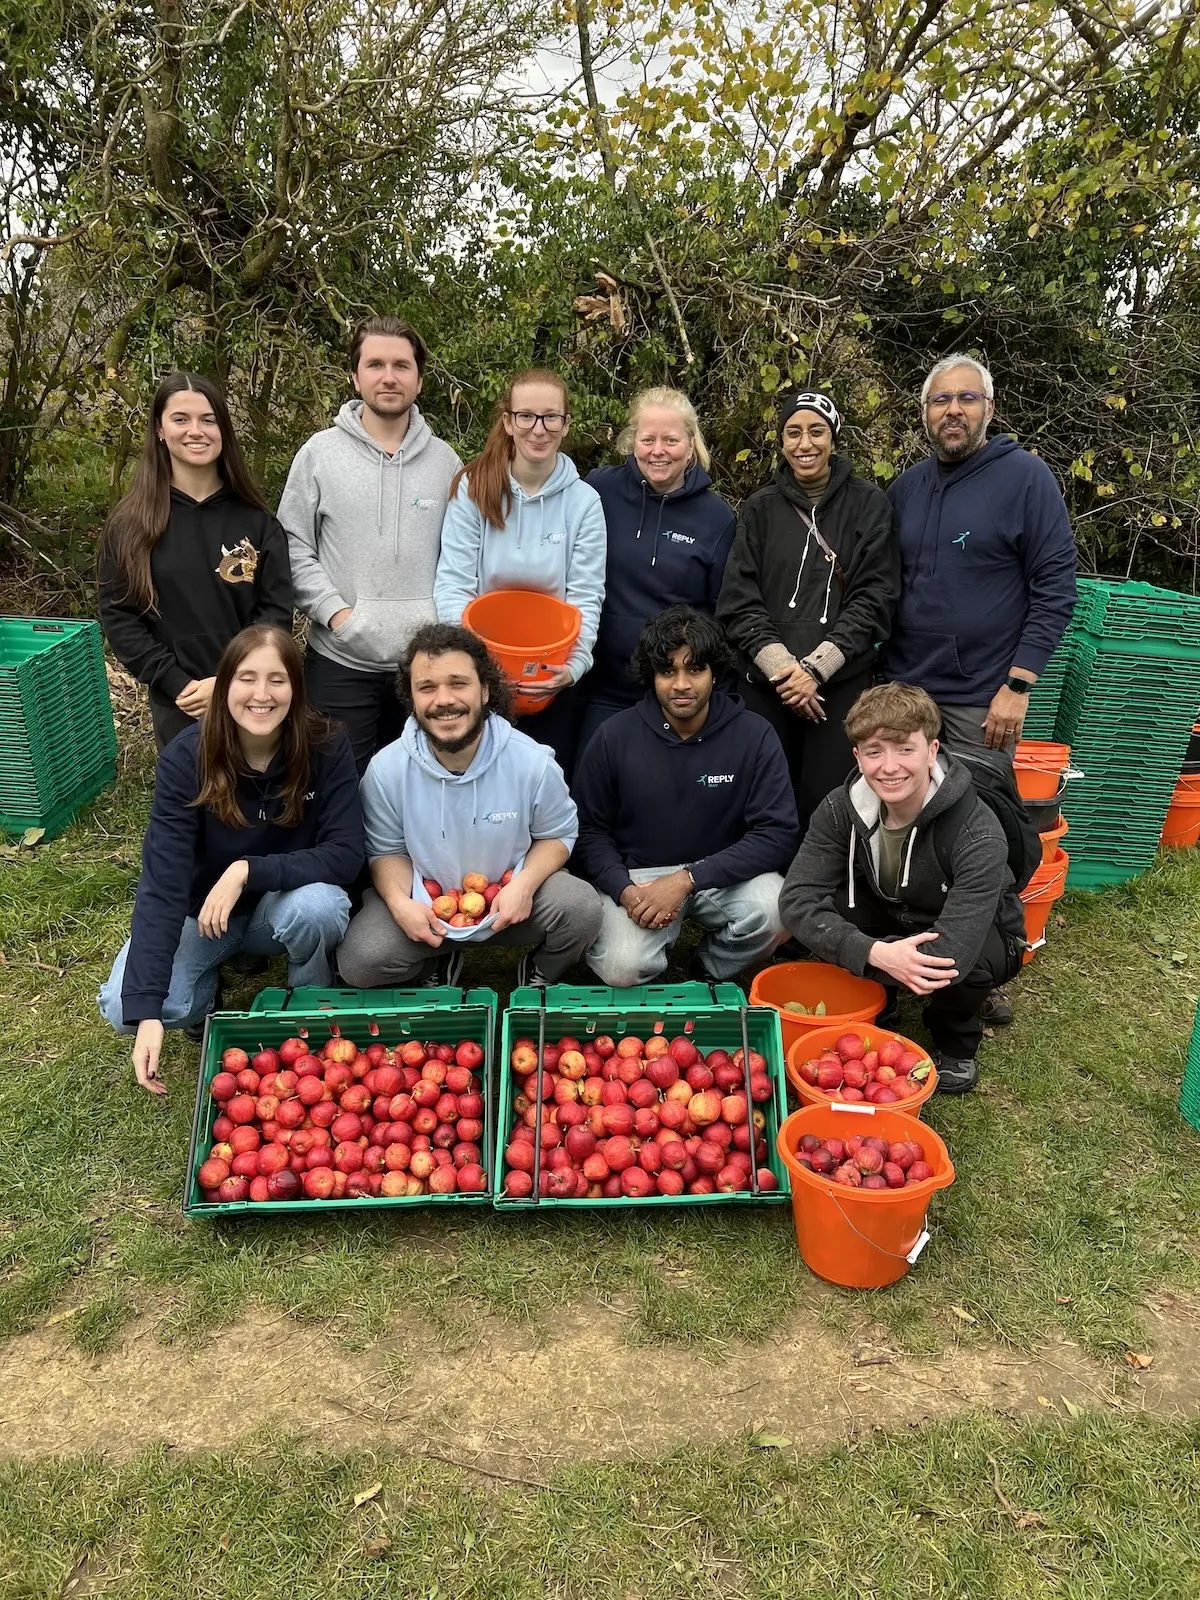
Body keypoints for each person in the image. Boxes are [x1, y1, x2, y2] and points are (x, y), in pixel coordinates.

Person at [99, 626, 365, 1096]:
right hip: (203, 916)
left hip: (280, 906)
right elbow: (162, 884)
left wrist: (248, 869)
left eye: (277, 680)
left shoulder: (325, 745)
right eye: (246, 678)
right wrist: (148, 1010)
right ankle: (203, 999)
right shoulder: (188, 757)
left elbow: (346, 854)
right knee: (126, 1009)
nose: (261, 694)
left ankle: (306, 1006)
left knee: (320, 907)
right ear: (224, 686)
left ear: (296, 689)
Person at [778, 683, 1026, 1094]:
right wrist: (876, 953)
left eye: (905, 749)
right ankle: (882, 997)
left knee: (964, 967)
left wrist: (872, 954)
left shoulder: (977, 831)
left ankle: (956, 1040)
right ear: (857, 756)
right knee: (830, 910)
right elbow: (796, 899)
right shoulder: (839, 809)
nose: (889, 767)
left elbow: (953, 950)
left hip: (962, 926)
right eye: (874, 751)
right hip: (889, 909)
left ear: (932, 750)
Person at [336, 623, 603, 990]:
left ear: (485, 690)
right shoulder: (386, 771)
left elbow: (557, 835)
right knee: (360, 962)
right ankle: (434, 963)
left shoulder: (532, 762)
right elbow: (387, 852)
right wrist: (400, 904)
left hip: (513, 905)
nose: (444, 700)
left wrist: (524, 885)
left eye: (458, 683)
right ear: (411, 698)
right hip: (427, 906)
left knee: (582, 908)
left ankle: (542, 970)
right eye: (427, 687)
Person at [574, 606, 798, 988]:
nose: (681, 684)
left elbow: (777, 833)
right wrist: (623, 890)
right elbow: (589, 830)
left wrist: (688, 879)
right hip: (639, 878)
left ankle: (709, 967)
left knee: (780, 909)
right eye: (668, 671)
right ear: (651, 675)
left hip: (722, 874)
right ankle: (650, 958)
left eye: (695, 669)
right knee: (621, 968)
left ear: (714, 673)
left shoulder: (755, 734)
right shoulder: (614, 736)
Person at [279, 315, 463, 774]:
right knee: (337, 786)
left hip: (425, 667)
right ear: (355, 377)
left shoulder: (446, 462)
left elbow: (464, 556)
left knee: (421, 784)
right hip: (340, 662)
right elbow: (291, 543)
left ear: (419, 380)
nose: (389, 376)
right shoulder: (319, 454)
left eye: (401, 366)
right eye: (375, 364)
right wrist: (337, 615)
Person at [717, 389, 900, 831]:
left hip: (838, 690)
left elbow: (875, 597)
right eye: (793, 432)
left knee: (829, 809)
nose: (805, 444)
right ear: (781, 441)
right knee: (761, 806)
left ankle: (825, 877)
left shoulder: (869, 504)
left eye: (816, 431)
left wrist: (816, 670)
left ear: (833, 438)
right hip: (767, 689)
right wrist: (786, 673)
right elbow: (739, 600)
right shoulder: (759, 509)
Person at [882, 353, 1078, 758]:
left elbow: (1055, 589)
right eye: (940, 400)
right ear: (925, 413)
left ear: (989, 408)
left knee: (978, 800)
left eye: (967, 398)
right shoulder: (905, 489)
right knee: (900, 797)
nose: (953, 409)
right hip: (904, 694)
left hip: (982, 702)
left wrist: (1018, 686)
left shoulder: (1026, 479)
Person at [98, 372, 294, 753]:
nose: (196, 431)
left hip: (255, 699)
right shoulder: (130, 526)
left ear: (223, 430)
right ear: (160, 430)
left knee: (261, 788)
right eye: (181, 419)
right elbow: (120, 617)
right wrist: (175, 682)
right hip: (180, 702)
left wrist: (232, 682)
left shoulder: (258, 523)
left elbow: (274, 614)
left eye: (208, 420)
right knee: (191, 789)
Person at [433, 369, 605, 777]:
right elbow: (454, 584)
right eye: (526, 416)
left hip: (549, 679)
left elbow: (586, 595)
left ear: (566, 424)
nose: (538, 429)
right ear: (508, 422)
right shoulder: (474, 489)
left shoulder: (584, 503)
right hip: (479, 676)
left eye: (551, 417)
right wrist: (472, 668)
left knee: (544, 786)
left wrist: (573, 667)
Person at [578, 388, 735, 749]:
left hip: (675, 693)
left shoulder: (717, 518)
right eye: (648, 439)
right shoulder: (598, 490)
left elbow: (722, 616)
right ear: (632, 442)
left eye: (671, 440)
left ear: (690, 445)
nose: (658, 450)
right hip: (600, 689)